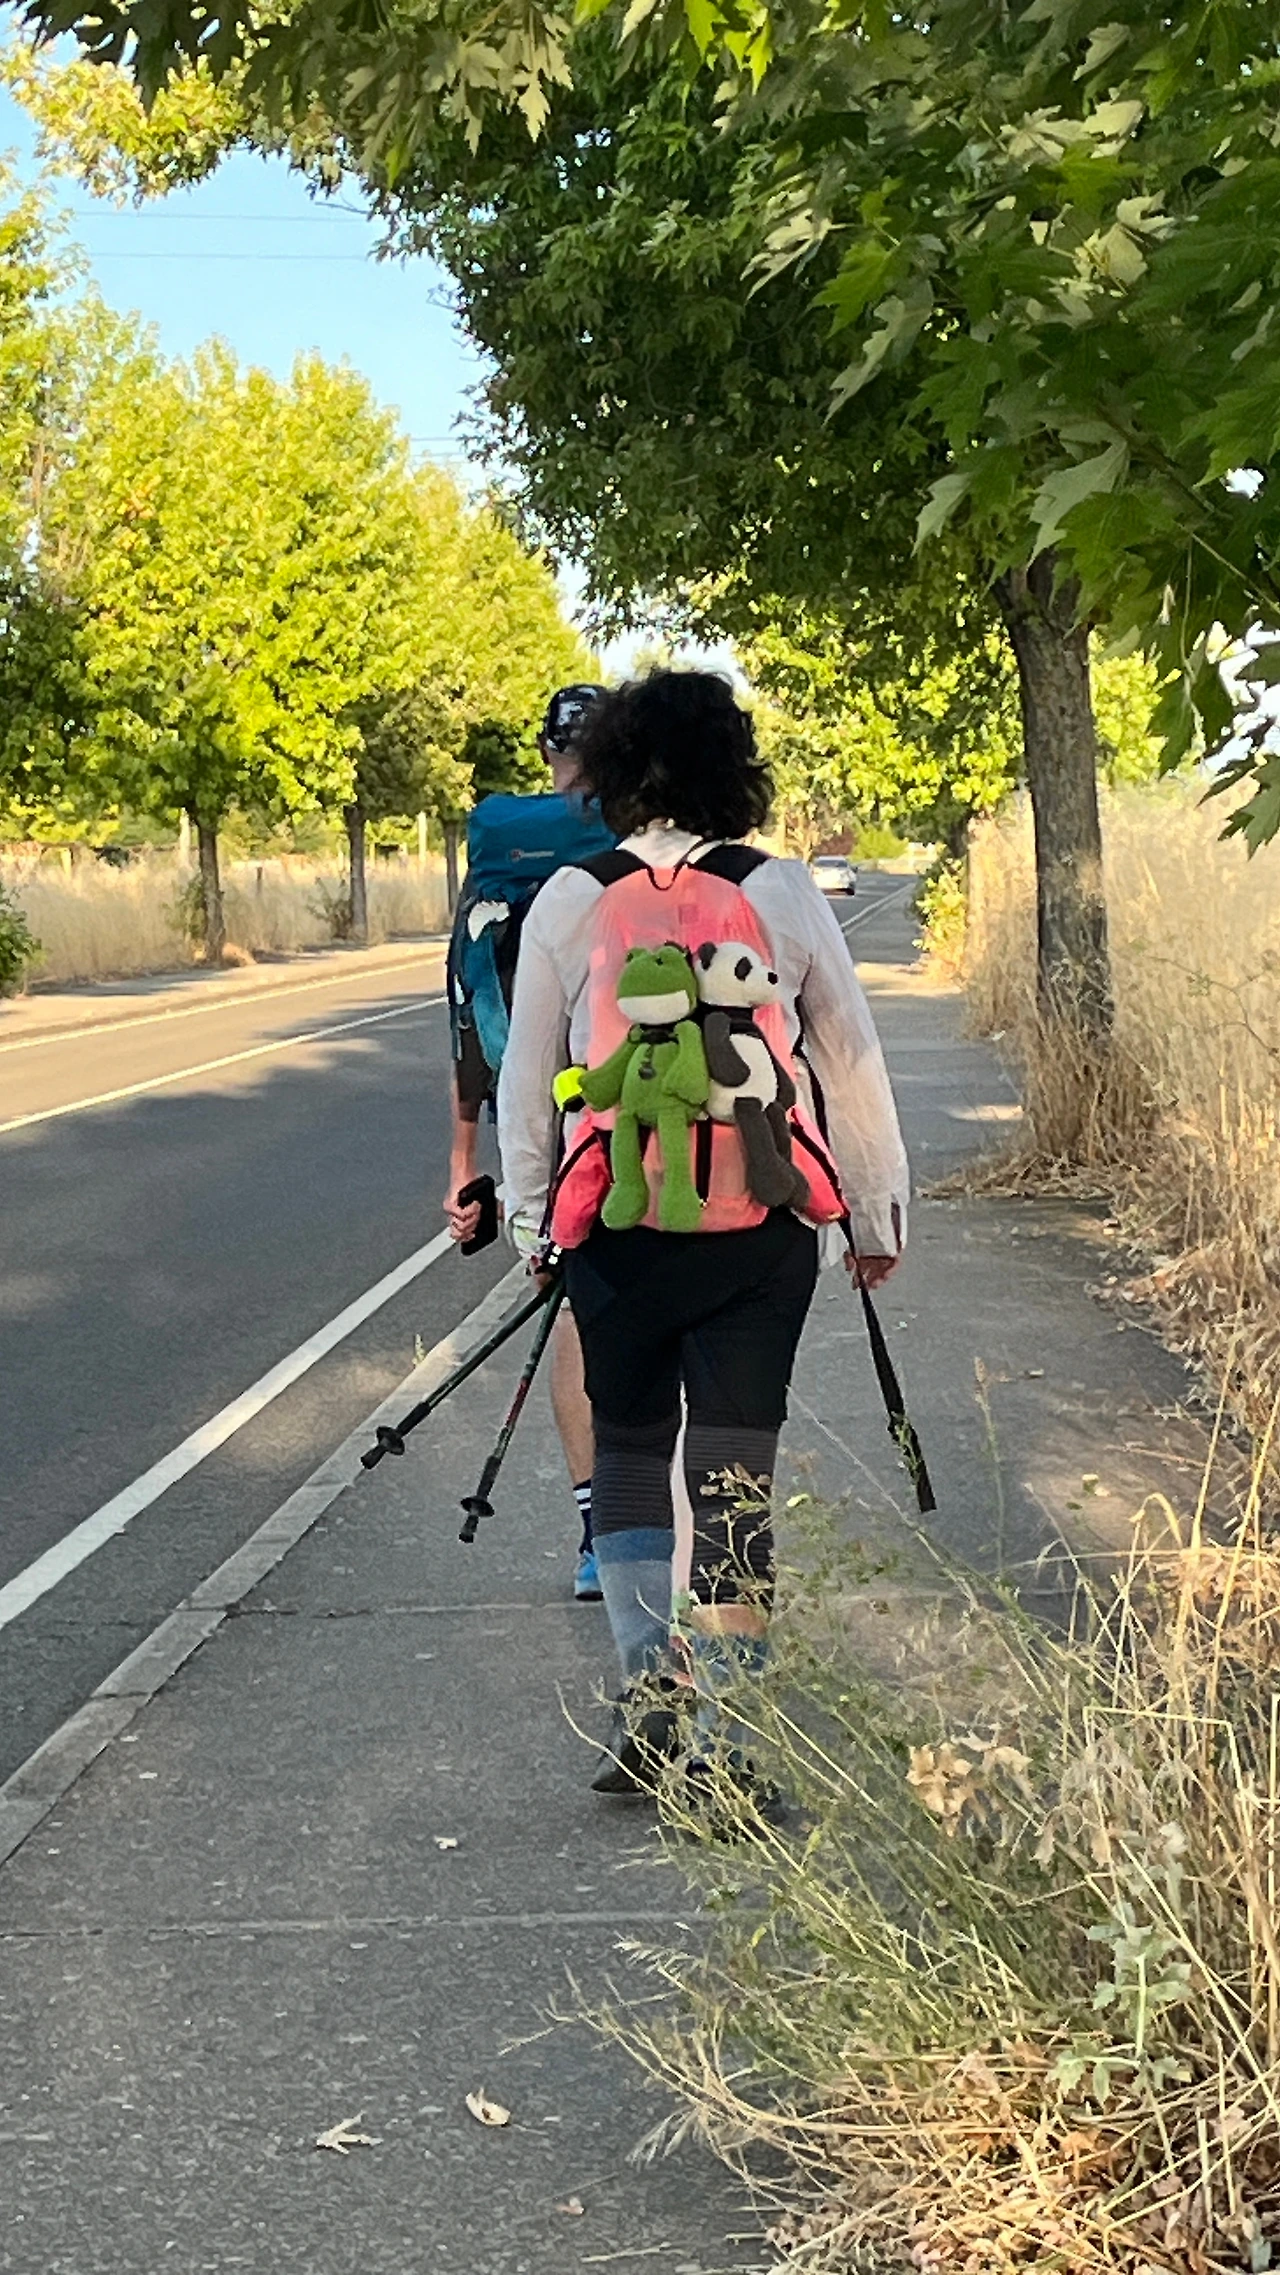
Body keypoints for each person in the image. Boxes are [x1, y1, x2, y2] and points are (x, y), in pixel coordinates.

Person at [497, 667, 909, 1818]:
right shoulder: (776, 888)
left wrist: (533, 1219)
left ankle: (649, 1695)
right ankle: (729, 1743)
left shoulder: (569, 898)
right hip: (755, 1223)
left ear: (614, 773)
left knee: (629, 1450)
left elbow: (530, 1076)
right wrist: (871, 1212)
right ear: (733, 767)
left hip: (615, 1225)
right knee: (730, 1478)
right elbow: (846, 1057)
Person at [443, 683, 610, 1600]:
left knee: (575, 1313)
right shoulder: (630, 854)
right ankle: (659, 1516)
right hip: (631, 1116)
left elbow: (468, 1016)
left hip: (539, 1127)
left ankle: (595, 1529)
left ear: (548, 753)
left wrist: (467, 1166)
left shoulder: (498, 862)